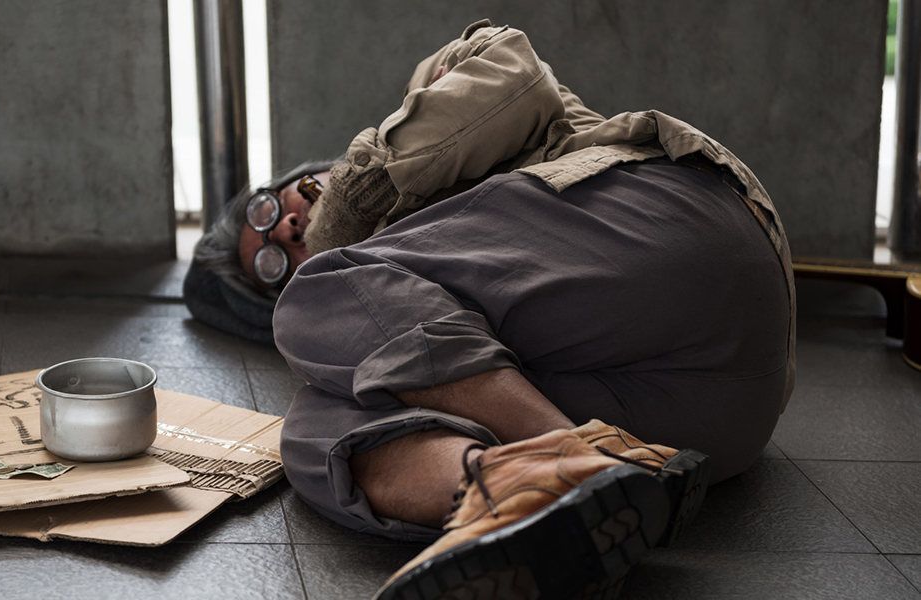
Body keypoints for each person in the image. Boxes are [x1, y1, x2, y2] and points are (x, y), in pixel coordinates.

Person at [187, 19, 795, 600]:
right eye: (272, 265)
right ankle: (525, 491)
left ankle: (569, 462)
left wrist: (351, 202)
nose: (286, 229)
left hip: (679, 234)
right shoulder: (404, 308)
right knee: (313, 436)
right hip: (709, 422)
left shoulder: (426, 97)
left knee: (322, 294)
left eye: (271, 209)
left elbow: (517, 69)